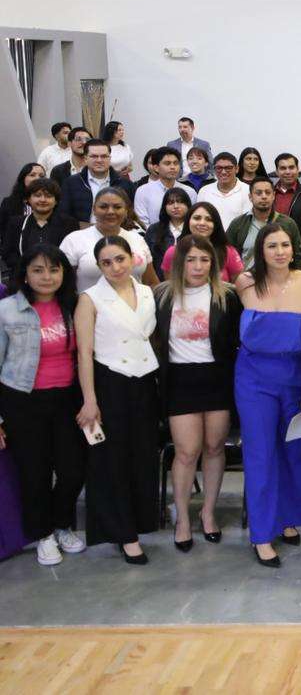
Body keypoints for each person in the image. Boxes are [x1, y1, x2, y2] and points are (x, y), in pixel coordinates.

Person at [234, 224, 301, 567]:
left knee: (297, 451)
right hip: (254, 379)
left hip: (297, 378)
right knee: (260, 453)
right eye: (272, 245)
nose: (280, 251)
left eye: (285, 244)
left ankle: (288, 517)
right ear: (261, 249)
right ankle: (261, 534)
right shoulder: (244, 282)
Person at [74, 235, 160, 564]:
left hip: (145, 381)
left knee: (142, 457)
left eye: (120, 259)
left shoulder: (147, 291)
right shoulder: (90, 298)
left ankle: (140, 523)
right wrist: (90, 400)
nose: (115, 267)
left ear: (132, 258)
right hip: (109, 383)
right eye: (106, 263)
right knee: (113, 461)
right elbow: (84, 353)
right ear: (99, 266)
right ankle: (124, 534)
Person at [151, 235, 241, 551]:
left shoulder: (227, 295)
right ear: (180, 263)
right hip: (180, 381)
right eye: (191, 260)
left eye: (204, 260)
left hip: (217, 379)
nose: (198, 266)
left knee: (214, 448)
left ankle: (208, 513)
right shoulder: (162, 296)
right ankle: (183, 519)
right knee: (187, 452)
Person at [0, 245, 87, 566]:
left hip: (67, 399)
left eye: (53, 269)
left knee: (73, 469)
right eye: (38, 270)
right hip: (22, 401)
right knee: (34, 473)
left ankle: (62, 524)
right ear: (25, 274)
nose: (46, 277)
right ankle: (44, 534)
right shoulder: (7, 310)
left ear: (64, 273)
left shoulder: (75, 305)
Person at [60, 188, 158, 291]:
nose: (110, 212)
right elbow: (63, 285)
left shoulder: (138, 239)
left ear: (126, 211)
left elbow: (151, 282)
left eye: (117, 207)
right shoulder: (74, 240)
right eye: (103, 207)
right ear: (94, 209)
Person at [227, 178, 301, 271]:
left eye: (268, 193)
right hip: (247, 277)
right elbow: (227, 256)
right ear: (250, 197)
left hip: (279, 277)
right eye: (258, 193)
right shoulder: (238, 224)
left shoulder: (288, 223)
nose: (264, 196)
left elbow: (299, 257)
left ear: (273, 196)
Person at [2, 179, 79, 272]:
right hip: (23, 275)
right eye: (37, 195)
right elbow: (8, 253)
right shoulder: (16, 223)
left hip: (58, 274)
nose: (43, 200)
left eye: (48, 196)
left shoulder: (69, 224)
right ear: (28, 199)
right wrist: (28, 268)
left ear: (56, 201)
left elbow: (73, 254)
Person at [161, 202, 245, 282]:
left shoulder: (227, 252)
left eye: (209, 219)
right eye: (197, 218)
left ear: (215, 224)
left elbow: (237, 285)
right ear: (188, 221)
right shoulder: (173, 252)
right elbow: (170, 286)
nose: (202, 223)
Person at [59, 139, 125, 225]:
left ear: (110, 158)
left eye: (104, 156)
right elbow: (63, 215)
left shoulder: (124, 184)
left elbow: (130, 215)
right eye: (94, 156)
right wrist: (87, 228)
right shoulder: (71, 183)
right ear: (85, 159)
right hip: (82, 231)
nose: (99, 160)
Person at [133, 147, 196, 228]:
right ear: (156, 168)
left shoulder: (189, 191)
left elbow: (192, 220)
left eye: (176, 163)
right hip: (152, 235)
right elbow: (142, 223)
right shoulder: (143, 191)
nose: (173, 167)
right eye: (167, 163)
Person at [144, 187, 192, 279]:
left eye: (180, 202)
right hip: (159, 282)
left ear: (188, 205)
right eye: (170, 203)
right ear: (164, 206)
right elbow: (147, 259)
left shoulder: (193, 229)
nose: (176, 206)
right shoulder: (154, 230)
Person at [197, 152, 252, 228]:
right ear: (214, 169)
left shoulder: (248, 190)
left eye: (228, 168)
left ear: (237, 169)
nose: (223, 172)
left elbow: (249, 221)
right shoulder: (204, 191)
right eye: (219, 168)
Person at [0, 163, 46, 250]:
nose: (37, 178)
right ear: (23, 178)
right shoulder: (9, 203)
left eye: (41, 176)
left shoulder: (50, 203)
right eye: (32, 175)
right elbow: (3, 231)